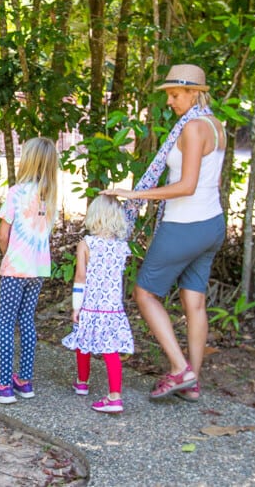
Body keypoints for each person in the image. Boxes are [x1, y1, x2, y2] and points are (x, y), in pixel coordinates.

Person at [101, 64, 226, 401]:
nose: (170, 101)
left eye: (175, 94)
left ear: (194, 93)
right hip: (212, 223)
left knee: (144, 293)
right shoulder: (215, 125)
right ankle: (193, 382)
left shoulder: (193, 128)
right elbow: (206, 182)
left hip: (185, 226)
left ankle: (178, 368)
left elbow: (186, 186)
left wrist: (134, 195)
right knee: (194, 302)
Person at [0, 137, 59, 404]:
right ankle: (24, 380)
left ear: (29, 160)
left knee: (5, 322)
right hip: (38, 269)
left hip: (16, 268)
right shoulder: (51, 196)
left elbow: (3, 234)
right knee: (26, 320)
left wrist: (8, 256)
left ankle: (3, 384)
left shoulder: (16, 192)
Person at [62, 195, 134, 413]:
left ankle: (82, 383)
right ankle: (115, 394)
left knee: (82, 341)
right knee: (110, 350)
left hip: (91, 305)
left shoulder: (86, 244)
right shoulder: (122, 247)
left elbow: (80, 277)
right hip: (112, 308)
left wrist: (76, 306)